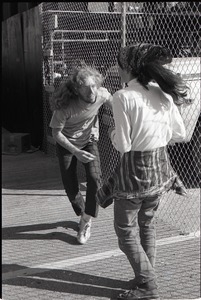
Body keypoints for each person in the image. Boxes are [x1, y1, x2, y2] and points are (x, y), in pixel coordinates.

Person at [96, 43, 192, 300]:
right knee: (147, 224)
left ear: (128, 68)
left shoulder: (122, 97)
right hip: (160, 173)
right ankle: (145, 275)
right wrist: (156, 132)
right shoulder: (163, 94)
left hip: (133, 178)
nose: (117, 69)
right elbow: (181, 135)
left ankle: (148, 285)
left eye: (119, 65)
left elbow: (124, 145)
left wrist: (112, 133)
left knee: (125, 233)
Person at [49, 63, 112, 245]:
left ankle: (86, 220)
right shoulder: (65, 106)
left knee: (95, 177)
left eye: (94, 86)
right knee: (70, 186)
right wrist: (75, 151)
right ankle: (83, 210)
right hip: (67, 145)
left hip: (89, 140)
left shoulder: (100, 94)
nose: (92, 91)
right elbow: (56, 134)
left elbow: (116, 104)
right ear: (77, 90)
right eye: (87, 88)